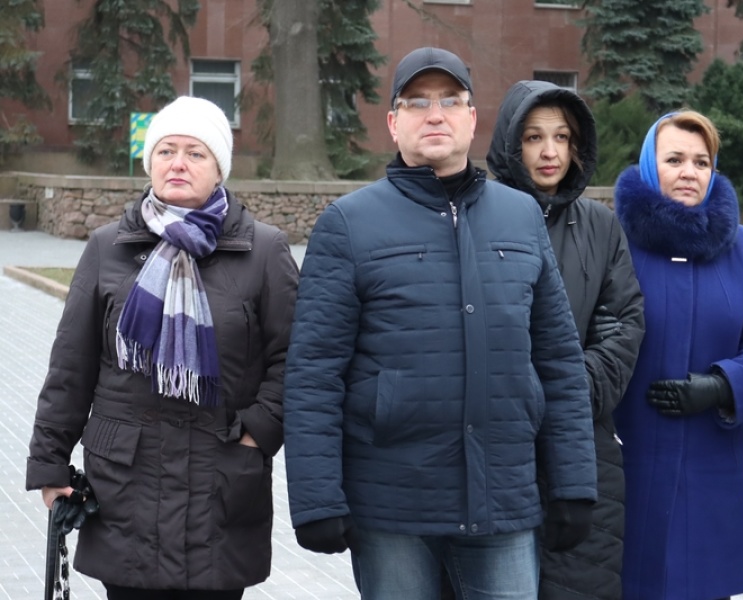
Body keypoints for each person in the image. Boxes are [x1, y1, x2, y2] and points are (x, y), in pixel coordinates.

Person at [282, 47, 597, 600]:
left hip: (503, 498)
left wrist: (573, 482)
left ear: (472, 119)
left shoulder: (520, 216)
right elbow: (314, 372)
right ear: (393, 122)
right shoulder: (348, 224)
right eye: (417, 102)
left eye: (450, 101)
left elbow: (558, 361)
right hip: (392, 506)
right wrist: (317, 499)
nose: (435, 115)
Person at [25, 96, 299, 599]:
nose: (178, 163)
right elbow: (71, 365)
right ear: (149, 161)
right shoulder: (108, 246)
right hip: (125, 488)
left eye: (195, 153)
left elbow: (294, 360)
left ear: (219, 168)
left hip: (221, 485)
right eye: (166, 151)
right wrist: (49, 463)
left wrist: (257, 433)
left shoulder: (264, 250)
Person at [612, 110, 743, 599]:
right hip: (627, 458)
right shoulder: (613, 241)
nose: (689, 172)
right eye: (674, 159)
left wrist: (723, 384)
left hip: (710, 463)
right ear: (649, 165)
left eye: (701, 161)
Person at [486, 80, 646, 599]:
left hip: (583, 448)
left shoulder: (600, 225)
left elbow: (623, 324)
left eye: (562, 137)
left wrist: (564, 391)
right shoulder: (478, 217)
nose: (550, 151)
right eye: (534, 137)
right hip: (495, 448)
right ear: (512, 144)